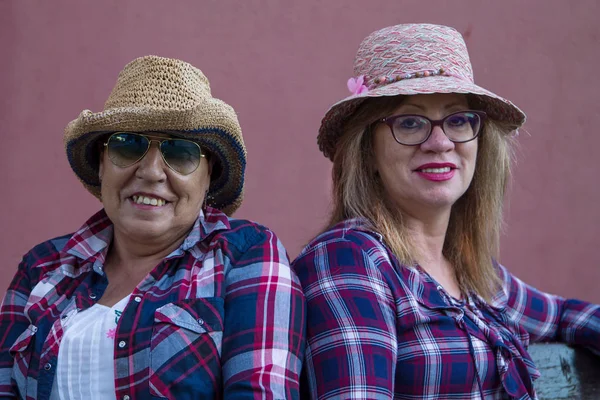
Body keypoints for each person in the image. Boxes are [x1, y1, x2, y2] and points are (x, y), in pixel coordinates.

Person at [292, 24, 600, 399]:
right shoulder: (348, 261)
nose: (440, 143)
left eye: (458, 120)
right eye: (409, 122)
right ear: (368, 151)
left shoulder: (474, 276)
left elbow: (565, 315)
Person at [0, 55, 305, 399]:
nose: (151, 172)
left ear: (209, 178)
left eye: (180, 152)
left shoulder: (246, 254)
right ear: (102, 165)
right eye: (127, 144)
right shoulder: (42, 267)